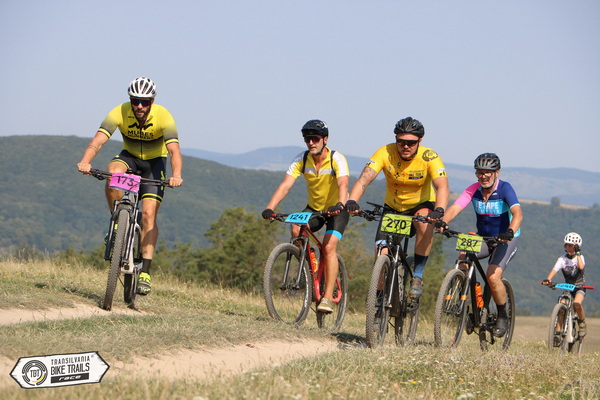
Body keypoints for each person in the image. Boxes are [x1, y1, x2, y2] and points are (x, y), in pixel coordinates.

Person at [77, 77, 183, 295]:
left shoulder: (164, 116)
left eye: (145, 102)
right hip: (130, 158)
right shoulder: (119, 112)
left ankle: (145, 271)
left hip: (154, 164)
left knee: (149, 215)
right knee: (113, 173)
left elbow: (174, 151)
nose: (140, 106)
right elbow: (98, 141)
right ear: (130, 100)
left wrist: (176, 175)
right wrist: (85, 161)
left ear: (152, 101)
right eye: (135, 101)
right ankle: (118, 222)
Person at [346, 117, 449, 300]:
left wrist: (439, 211)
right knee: (381, 253)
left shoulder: (429, 156)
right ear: (396, 140)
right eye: (401, 142)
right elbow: (364, 179)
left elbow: (442, 186)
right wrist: (352, 201)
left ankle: (417, 276)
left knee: (425, 224)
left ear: (420, 141)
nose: (405, 146)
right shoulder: (385, 152)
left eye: (411, 143)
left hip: (420, 205)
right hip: (393, 207)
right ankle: (378, 300)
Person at [262, 119, 350, 313]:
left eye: (315, 138)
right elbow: (286, 185)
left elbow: (343, 184)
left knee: (328, 247)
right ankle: (309, 270)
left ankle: (327, 298)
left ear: (325, 139)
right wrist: (270, 208)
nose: (311, 142)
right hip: (315, 208)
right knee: (296, 228)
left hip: (337, 209)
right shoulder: (301, 159)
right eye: (307, 139)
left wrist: (340, 204)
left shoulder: (337, 159)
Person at [436, 153, 522, 337]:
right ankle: (464, 295)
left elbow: (517, 214)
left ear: (497, 172)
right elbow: (456, 207)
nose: (483, 176)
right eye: (479, 172)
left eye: (487, 172)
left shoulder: (505, 188)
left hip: (505, 239)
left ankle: (502, 315)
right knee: (463, 255)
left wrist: (510, 231)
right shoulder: (474, 189)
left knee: (492, 276)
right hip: (483, 237)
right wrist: (443, 222)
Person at [541, 232, 587, 337]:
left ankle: (582, 322)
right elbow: (554, 269)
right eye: (568, 246)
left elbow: (581, 267)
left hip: (579, 287)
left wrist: (578, 253)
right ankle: (557, 333)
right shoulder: (562, 259)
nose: (570, 248)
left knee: (577, 303)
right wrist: (548, 279)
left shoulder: (580, 257)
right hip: (568, 287)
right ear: (565, 246)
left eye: (572, 246)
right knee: (561, 306)